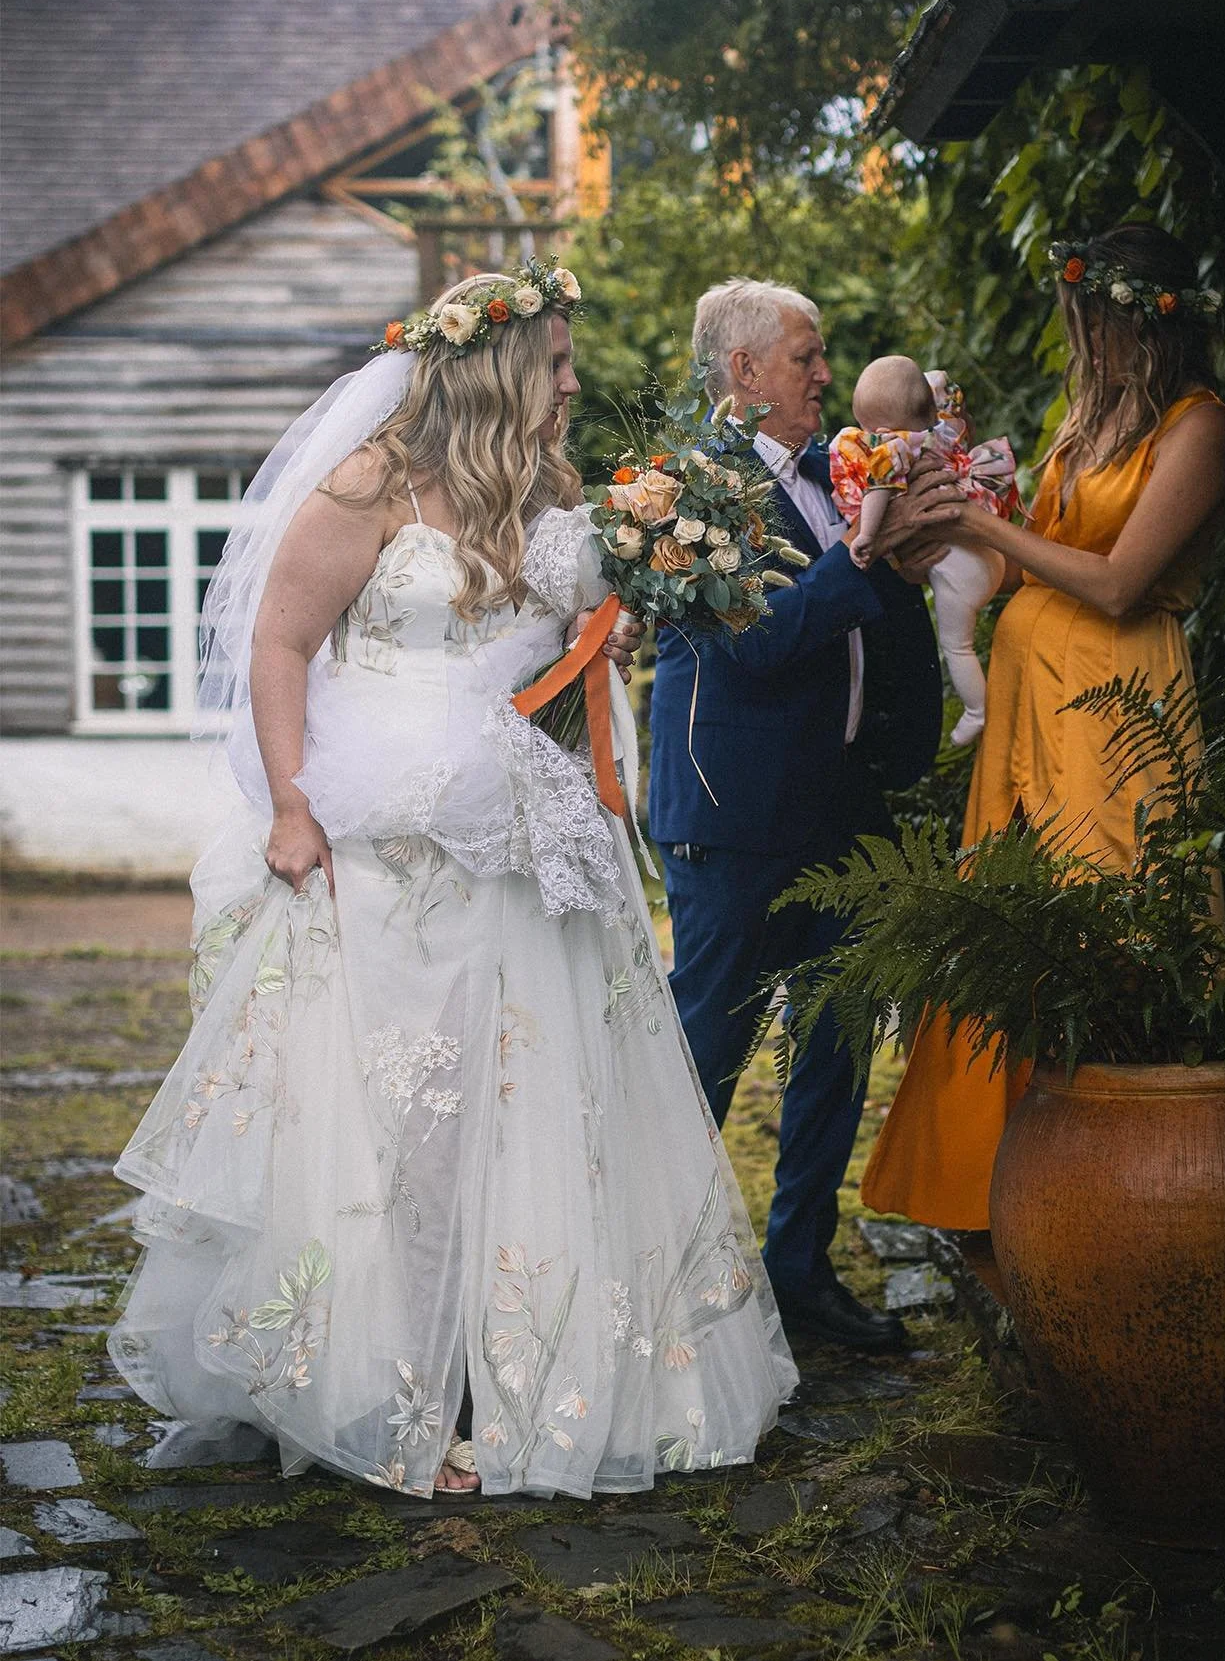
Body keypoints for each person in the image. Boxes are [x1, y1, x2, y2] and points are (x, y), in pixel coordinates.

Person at [107, 263, 797, 1500]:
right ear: (496, 371)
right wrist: (293, 802)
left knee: (527, 1107)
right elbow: (280, 642)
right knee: (394, 1128)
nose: (576, 384)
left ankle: (521, 1370)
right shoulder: (368, 482)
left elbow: (551, 656)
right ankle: (383, 1382)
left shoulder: (552, 491)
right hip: (383, 842)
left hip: (521, 840)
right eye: (561, 365)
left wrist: (605, 630)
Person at [861, 224, 1225, 1231]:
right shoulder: (1090, 415)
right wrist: (954, 529)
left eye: (1097, 326)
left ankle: (1117, 1194)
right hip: (1031, 698)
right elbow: (1036, 561)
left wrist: (987, 524)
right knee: (1012, 919)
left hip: (1119, 699)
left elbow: (1118, 584)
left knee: (1107, 904)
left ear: (1143, 322)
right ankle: (995, 1190)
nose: (1086, 346)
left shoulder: (1200, 428)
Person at [648, 278, 944, 1353]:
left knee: (833, 1049)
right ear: (745, 373)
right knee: (707, 1051)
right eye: (808, 358)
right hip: (734, 819)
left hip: (843, 807)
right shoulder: (686, 489)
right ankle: (646, 1274)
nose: (827, 375)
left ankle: (801, 1270)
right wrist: (862, 554)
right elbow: (760, 647)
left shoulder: (832, 473)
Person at [829, 356, 1019, 748]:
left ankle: (977, 711)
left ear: (876, 428)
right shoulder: (945, 433)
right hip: (992, 558)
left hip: (959, 571)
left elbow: (881, 490)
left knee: (957, 646)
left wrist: (866, 534)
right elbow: (948, 396)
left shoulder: (893, 449)